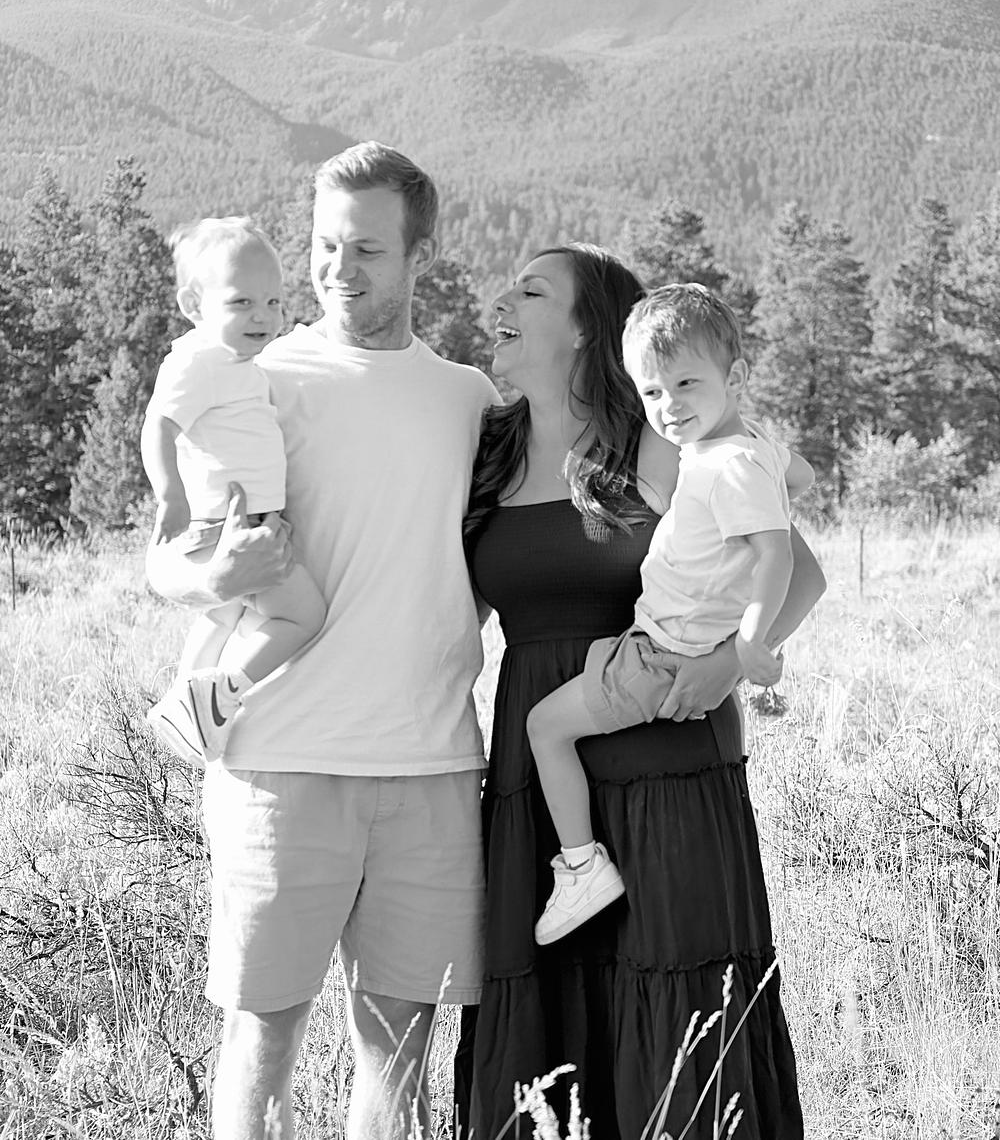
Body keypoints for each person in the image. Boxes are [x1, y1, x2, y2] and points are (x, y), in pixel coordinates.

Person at [144, 144, 497, 1140]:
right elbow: (167, 557)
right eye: (326, 244)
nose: (339, 268)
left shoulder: (470, 399)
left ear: (421, 254)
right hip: (276, 765)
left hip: (429, 767)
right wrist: (211, 579)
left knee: (401, 1060)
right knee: (262, 1043)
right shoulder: (256, 373)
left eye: (368, 249)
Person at [455, 243, 824, 1139]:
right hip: (542, 779)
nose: (501, 302)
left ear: (588, 328)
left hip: (665, 757)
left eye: (530, 290)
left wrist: (730, 662)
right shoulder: (489, 450)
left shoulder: (659, 442)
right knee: (550, 1018)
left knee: (676, 1001)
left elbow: (799, 574)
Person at [525, 282, 815, 945]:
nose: (669, 406)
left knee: (546, 728)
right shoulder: (747, 449)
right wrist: (770, 474)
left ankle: (581, 868)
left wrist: (750, 643)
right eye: (652, 392)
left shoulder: (729, 466)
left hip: (662, 660)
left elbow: (776, 555)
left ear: (735, 378)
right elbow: (800, 476)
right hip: (656, 644)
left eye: (686, 384)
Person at [141, 217, 327, 765]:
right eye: (242, 302)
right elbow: (158, 425)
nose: (263, 316)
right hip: (232, 526)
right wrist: (170, 494)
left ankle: (187, 700)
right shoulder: (199, 360)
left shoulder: (234, 361)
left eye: (273, 301)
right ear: (193, 305)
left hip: (242, 521)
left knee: (223, 615)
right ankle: (225, 691)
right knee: (303, 615)